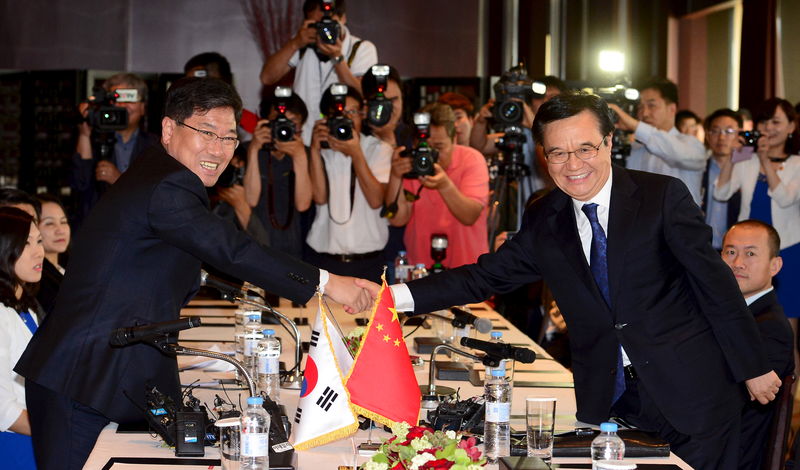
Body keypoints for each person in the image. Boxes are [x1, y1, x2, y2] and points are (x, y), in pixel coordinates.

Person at [359, 92, 781, 469]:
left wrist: (753, 365)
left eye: (585, 148)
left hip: (694, 395)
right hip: (610, 401)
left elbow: (715, 284)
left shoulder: (661, 197)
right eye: (558, 153)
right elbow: (482, 276)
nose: (573, 165)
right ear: (543, 156)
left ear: (610, 144)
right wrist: (389, 297)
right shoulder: (546, 218)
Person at [14, 77, 372, 470]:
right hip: (82, 377)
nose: (218, 150)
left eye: (230, 138)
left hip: (107, 372)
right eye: (207, 133)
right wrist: (328, 284)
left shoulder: (160, 175)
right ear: (169, 129)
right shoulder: (167, 184)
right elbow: (233, 251)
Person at [714, 98, 800, 322]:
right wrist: (733, 158)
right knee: (745, 321)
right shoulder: (745, 158)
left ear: (791, 127)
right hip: (747, 252)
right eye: (763, 122)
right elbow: (720, 193)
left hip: (787, 251)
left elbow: (784, 198)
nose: (768, 128)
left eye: (775, 122)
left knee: (787, 325)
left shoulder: (797, 164)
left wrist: (764, 159)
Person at [721, 220, 793, 470]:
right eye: (730, 252)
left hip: (730, 455)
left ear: (775, 265)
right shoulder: (720, 312)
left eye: (750, 253)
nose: (737, 263)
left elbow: (724, 398)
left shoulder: (771, 328)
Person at [385, 103, 489, 269]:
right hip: (421, 270)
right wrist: (395, 176)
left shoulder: (471, 160)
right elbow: (398, 219)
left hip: (468, 271)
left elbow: (470, 215)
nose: (431, 155)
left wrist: (444, 185)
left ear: (454, 139)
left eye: (439, 147)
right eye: (425, 147)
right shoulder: (413, 164)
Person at [260, 0, 378, 145]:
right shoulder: (302, 45)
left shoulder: (361, 48)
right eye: (318, 25)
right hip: (303, 140)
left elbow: (363, 95)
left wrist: (338, 59)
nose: (325, 30)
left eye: (330, 23)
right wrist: (295, 43)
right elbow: (267, 77)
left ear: (343, 18)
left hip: (342, 141)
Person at [305, 85, 391, 282]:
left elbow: (376, 200)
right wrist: (315, 151)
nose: (348, 119)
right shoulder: (322, 149)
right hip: (324, 262)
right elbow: (319, 197)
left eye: (352, 112)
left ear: (362, 114)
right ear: (326, 117)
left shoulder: (379, 149)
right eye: (340, 113)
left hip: (369, 263)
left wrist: (356, 153)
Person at [71, 72, 160, 224]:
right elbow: (79, 184)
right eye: (117, 99)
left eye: (130, 99)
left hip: (140, 228)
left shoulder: (156, 145)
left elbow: (158, 195)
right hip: (97, 227)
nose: (123, 106)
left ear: (143, 108)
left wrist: (118, 179)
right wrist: (84, 135)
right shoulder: (94, 138)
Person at [610, 78, 706, 205]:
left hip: (679, 223)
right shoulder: (634, 149)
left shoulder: (691, 144)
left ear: (672, 109)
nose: (644, 113)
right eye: (640, 107)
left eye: (651, 105)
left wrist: (635, 126)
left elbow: (676, 155)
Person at [241, 92, 313, 259]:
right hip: (253, 246)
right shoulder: (246, 150)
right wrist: (253, 149)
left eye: (291, 123)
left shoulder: (305, 154)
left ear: (301, 126)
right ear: (265, 122)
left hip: (292, 250)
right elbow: (250, 200)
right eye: (277, 122)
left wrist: (299, 156)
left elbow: (303, 205)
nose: (283, 128)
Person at [0, 207, 43, 469]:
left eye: (38, 241)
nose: (38, 251)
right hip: (14, 446)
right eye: (26, 244)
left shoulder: (24, 308)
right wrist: (55, 429)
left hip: (32, 437)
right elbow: (2, 407)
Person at [701, 108, 743, 250]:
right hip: (702, 247)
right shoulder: (698, 168)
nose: (721, 137)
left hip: (737, 248)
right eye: (715, 131)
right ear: (707, 135)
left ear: (740, 134)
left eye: (729, 131)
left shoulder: (746, 170)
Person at [34, 194, 71, 317]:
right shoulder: (37, 281)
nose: (60, 230)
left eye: (63, 221)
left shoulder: (72, 265)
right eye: (49, 223)